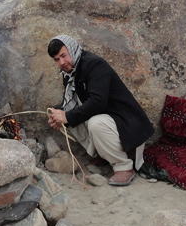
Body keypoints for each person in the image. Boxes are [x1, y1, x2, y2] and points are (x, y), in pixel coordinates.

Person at [46, 35, 154, 186]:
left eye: (64, 56)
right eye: (57, 59)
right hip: (108, 120)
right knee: (66, 118)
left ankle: (124, 167)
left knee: (93, 123)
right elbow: (73, 104)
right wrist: (59, 116)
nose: (62, 62)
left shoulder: (93, 64)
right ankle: (105, 155)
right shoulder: (70, 72)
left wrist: (67, 116)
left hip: (126, 122)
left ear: (72, 50)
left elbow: (98, 103)